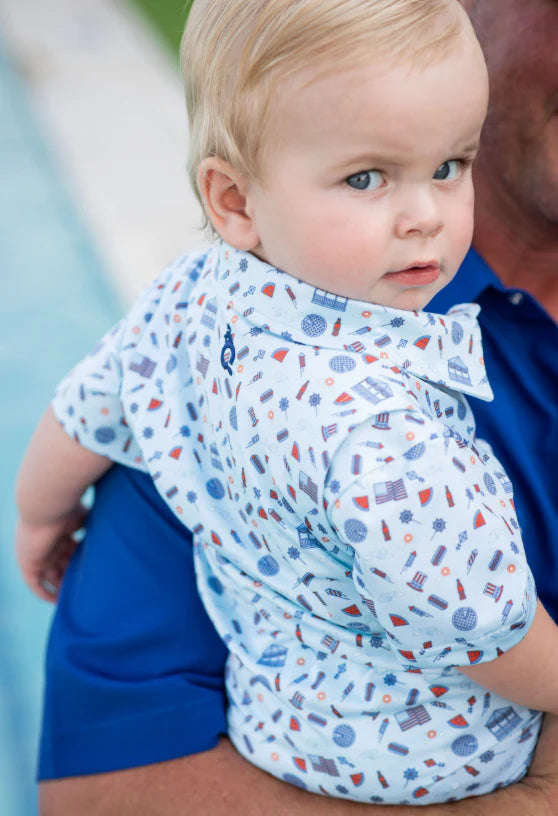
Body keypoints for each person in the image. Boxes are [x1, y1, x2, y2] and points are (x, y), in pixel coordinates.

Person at [24, 0, 558, 813]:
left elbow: (85, 409)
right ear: (234, 202)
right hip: (435, 758)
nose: (426, 216)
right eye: (366, 178)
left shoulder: (191, 298)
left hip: (286, 732)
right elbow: (482, 629)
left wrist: (38, 518)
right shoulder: (380, 427)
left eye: (450, 166)